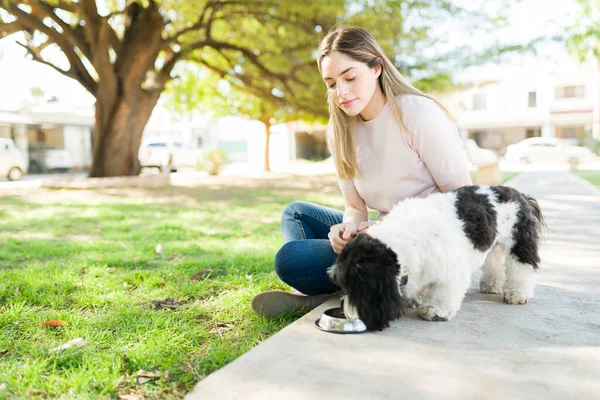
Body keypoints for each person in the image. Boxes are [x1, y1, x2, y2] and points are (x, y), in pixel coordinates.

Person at [251, 24, 473, 318]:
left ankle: (360, 286)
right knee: (296, 213)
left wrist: (385, 232)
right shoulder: (340, 129)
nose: (340, 92)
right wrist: (346, 230)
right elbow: (355, 206)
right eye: (331, 83)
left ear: (376, 68)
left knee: (290, 259)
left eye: (350, 77)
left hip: (421, 245)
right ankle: (347, 287)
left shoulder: (417, 114)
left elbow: (465, 203)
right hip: (376, 235)